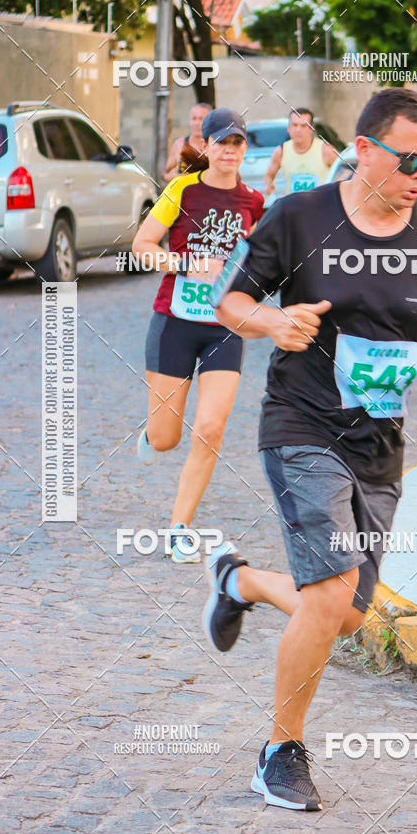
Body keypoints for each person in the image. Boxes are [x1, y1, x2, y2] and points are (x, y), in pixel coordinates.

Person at [206, 88, 417, 810]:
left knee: (346, 615)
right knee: (326, 595)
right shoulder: (300, 217)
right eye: (409, 160)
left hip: (379, 442)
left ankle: (239, 581)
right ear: (365, 149)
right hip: (302, 424)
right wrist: (271, 322)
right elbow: (231, 301)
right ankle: (279, 751)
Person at [132, 108, 265, 562]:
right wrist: (186, 264)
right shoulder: (182, 189)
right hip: (174, 321)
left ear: (245, 149)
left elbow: (256, 260)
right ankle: (152, 434)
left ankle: (178, 528)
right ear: (205, 146)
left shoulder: (254, 201)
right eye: (222, 142)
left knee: (210, 429)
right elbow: (142, 247)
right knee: (166, 437)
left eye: (238, 143)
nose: (230, 151)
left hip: (224, 329)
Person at [264, 107, 338, 197]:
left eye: (303, 126)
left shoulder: (326, 150)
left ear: (311, 129)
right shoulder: (281, 150)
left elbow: (345, 173)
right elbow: (269, 176)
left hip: (319, 208)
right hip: (293, 208)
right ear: (288, 128)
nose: (298, 130)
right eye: (295, 125)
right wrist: (269, 186)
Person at [162, 102, 212, 181]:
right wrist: (178, 177)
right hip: (185, 191)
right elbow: (165, 174)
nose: (197, 123)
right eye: (194, 118)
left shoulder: (216, 145)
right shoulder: (180, 144)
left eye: (201, 119)